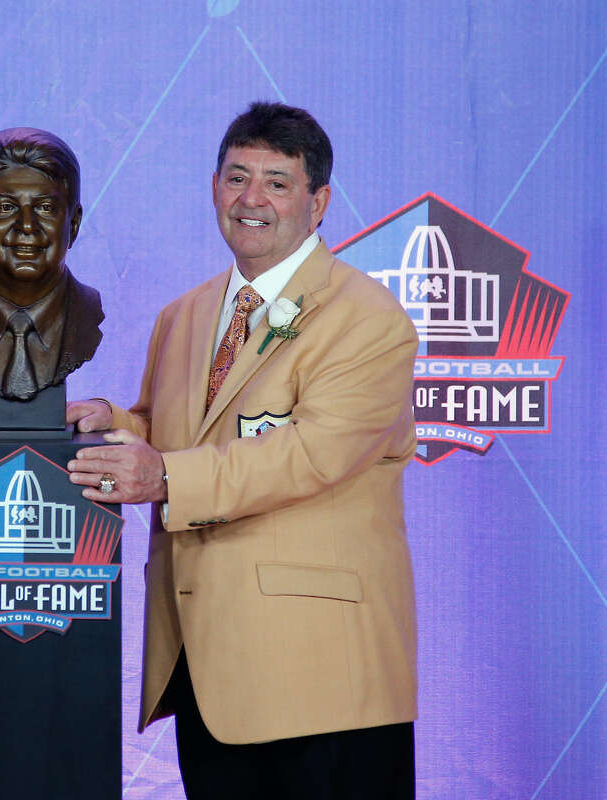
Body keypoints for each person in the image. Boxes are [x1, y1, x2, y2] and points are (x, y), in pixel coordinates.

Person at [66, 102, 419, 798]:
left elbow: (312, 453)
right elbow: (182, 436)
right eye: (236, 177)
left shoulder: (368, 319)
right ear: (214, 187)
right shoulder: (186, 313)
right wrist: (116, 423)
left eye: (277, 183)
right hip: (209, 666)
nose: (251, 199)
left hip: (323, 679)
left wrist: (161, 473)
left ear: (318, 204)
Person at [0, 128, 103, 401]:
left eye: (45, 208)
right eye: (6, 207)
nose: (27, 225)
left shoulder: (86, 311)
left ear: (73, 225)